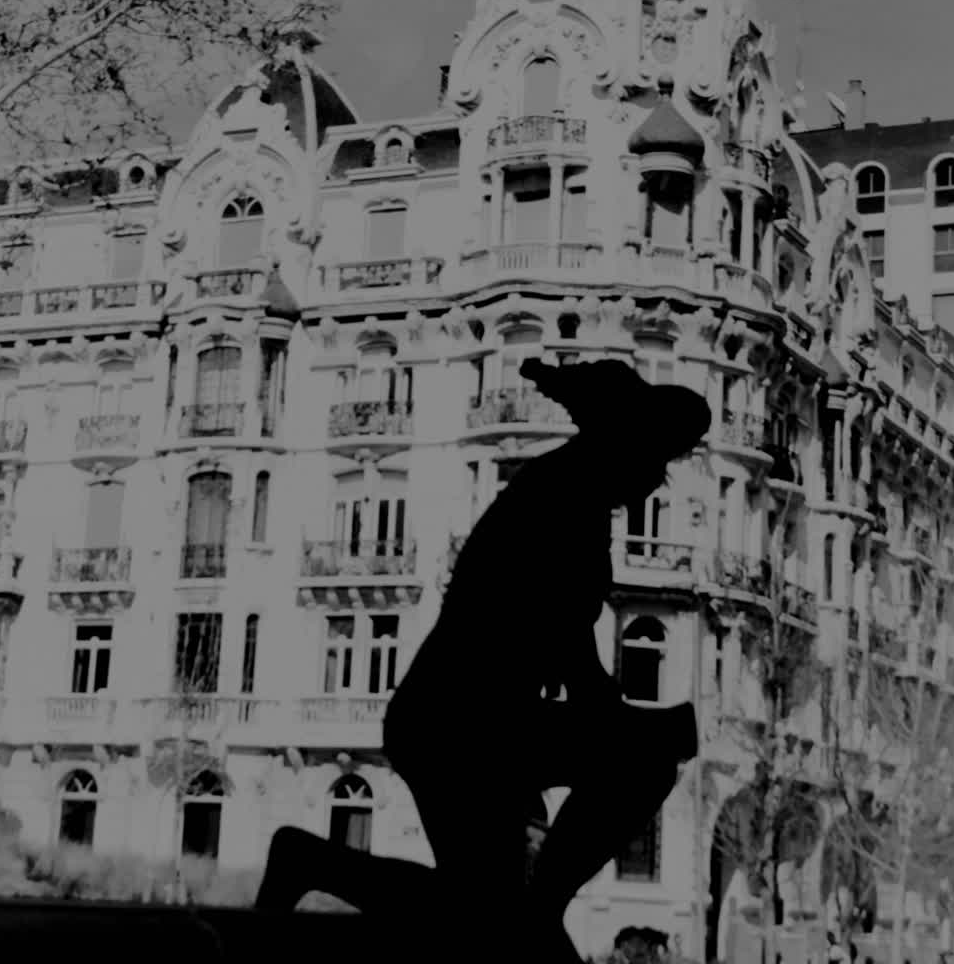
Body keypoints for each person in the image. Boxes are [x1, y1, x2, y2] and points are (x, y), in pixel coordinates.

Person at [255, 359, 711, 962]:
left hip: (476, 721)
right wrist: (625, 717)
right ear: (624, 445)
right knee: (642, 763)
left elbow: (569, 638)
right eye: (656, 462)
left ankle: (314, 862)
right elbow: (561, 629)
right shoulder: (565, 499)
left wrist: (611, 707)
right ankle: (536, 908)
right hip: (460, 724)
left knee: (478, 911)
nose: (656, 482)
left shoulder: (573, 495)